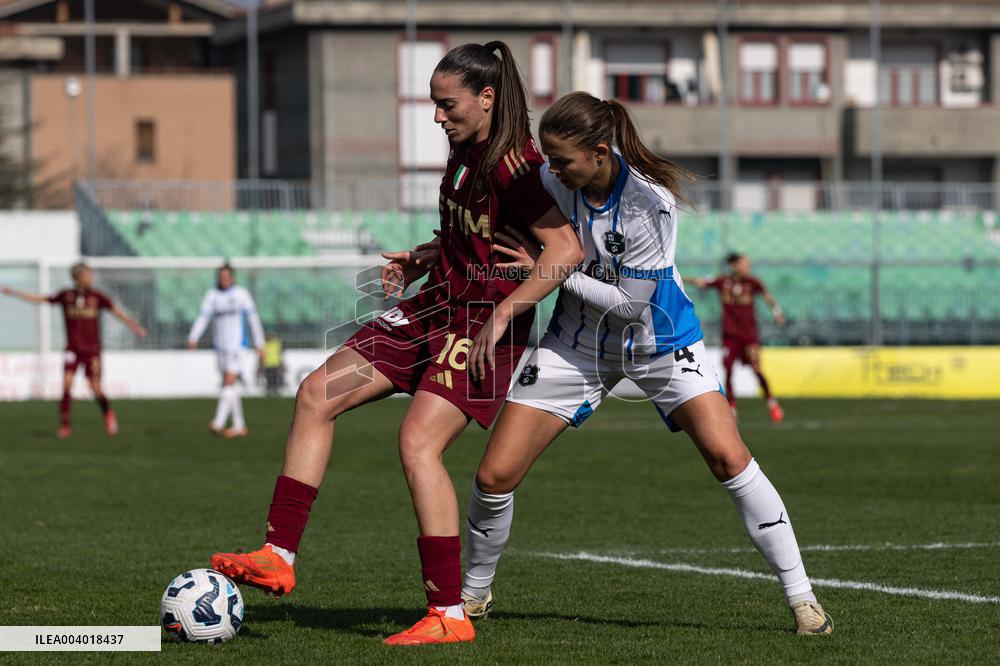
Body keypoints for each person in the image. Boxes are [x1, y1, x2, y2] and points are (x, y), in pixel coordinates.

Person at [208, 41, 583, 646]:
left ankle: (449, 616)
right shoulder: (463, 152)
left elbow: (566, 250)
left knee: (417, 444)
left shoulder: (517, 165)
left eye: (447, 104)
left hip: (486, 325)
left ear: (487, 99)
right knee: (315, 393)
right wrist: (423, 257)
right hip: (436, 306)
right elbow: (475, 236)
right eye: (435, 104)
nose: (438, 115)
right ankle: (279, 554)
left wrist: (502, 315)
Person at [458, 92, 832, 636]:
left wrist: (553, 271)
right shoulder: (550, 181)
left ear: (601, 153)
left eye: (562, 159)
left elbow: (633, 306)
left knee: (729, 458)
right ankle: (472, 595)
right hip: (576, 343)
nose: (553, 170)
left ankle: (804, 603)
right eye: (549, 157)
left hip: (661, 342)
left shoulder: (649, 202)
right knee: (494, 475)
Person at [1, 262, 146, 438]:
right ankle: (65, 426)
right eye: (87, 275)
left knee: (95, 387)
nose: (90, 278)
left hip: (92, 350)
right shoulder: (65, 295)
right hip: (72, 349)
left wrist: (134, 326)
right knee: (67, 384)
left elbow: (115, 311)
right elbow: (42, 299)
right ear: (78, 277)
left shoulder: (97, 296)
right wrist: (16, 293)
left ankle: (108, 414)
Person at [690, 252, 785, 421]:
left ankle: (771, 402)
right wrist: (676, 278)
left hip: (749, 336)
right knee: (728, 370)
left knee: (757, 369)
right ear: (734, 265)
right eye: (744, 263)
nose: (747, 266)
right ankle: (732, 407)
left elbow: (767, 296)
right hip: (730, 336)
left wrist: (777, 312)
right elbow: (701, 282)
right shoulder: (722, 282)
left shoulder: (752, 282)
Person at [187, 263, 265, 438]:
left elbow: (253, 319)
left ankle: (218, 422)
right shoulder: (212, 295)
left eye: (227, 277)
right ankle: (239, 426)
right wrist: (193, 337)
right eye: (221, 277)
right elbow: (203, 317)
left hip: (238, 345)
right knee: (229, 386)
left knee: (229, 382)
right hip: (220, 346)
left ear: (232, 277)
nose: (224, 280)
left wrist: (260, 344)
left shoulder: (241, 294)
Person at [260, 332, 284, 396]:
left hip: (276, 363)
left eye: (271, 336)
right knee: (269, 378)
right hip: (267, 364)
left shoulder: (276, 343)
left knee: (275, 377)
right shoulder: (265, 344)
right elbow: (262, 354)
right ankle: (269, 390)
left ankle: (275, 390)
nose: (270, 338)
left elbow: (279, 352)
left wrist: (280, 362)